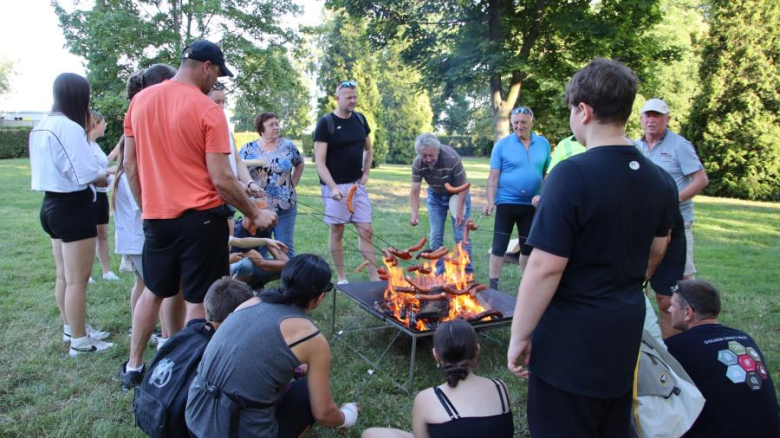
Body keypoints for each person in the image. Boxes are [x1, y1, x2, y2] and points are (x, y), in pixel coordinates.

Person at [506, 58, 678, 437]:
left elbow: (544, 267)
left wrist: (519, 335)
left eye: (571, 110)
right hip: (624, 323)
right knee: (612, 420)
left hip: (571, 338)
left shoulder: (570, 174)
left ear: (583, 111)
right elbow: (657, 248)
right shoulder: (661, 180)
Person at [120, 40, 277, 389]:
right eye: (218, 73)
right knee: (197, 300)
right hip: (201, 220)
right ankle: (189, 377)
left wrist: (148, 206)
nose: (216, 82)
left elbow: (129, 164)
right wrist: (255, 212)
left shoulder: (139, 101)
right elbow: (222, 178)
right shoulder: (209, 112)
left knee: (153, 292)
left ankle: (133, 368)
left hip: (156, 219)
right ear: (206, 66)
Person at [186, 254, 359, 437]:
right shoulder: (312, 339)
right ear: (320, 297)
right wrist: (348, 415)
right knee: (306, 391)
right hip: (233, 431)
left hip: (194, 419)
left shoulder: (250, 302)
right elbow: (324, 414)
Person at [29, 72, 114, 356]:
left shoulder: (41, 125)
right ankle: (80, 341)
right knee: (78, 279)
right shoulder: (69, 127)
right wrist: (105, 176)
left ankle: (71, 328)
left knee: (63, 275)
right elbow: (86, 173)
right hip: (72, 207)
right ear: (80, 97)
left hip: (50, 205)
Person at [134, 276, 253, 438]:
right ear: (234, 317)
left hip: (147, 408)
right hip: (177, 426)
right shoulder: (220, 350)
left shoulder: (191, 329)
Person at [665, 280, 780, 437]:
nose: (669, 309)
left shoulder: (674, 348)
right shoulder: (744, 338)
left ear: (687, 312)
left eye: (673, 305)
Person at [362, 319, 513, 438]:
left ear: (436, 355)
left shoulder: (428, 399)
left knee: (369, 434)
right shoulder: (501, 387)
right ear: (477, 350)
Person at [636, 98, 709, 338]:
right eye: (647, 115)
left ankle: (690, 336)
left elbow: (700, 180)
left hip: (678, 225)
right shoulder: (635, 147)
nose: (651, 120)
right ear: (641, 119)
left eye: (657, 116)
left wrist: (671, 200)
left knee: (682, 284)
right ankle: (643, 337)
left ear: (667, 119)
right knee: (639, 282)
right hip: (645, 225)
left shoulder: (680, 145)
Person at [313, 80, 379, 284]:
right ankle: (342, 278)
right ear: (337, 98)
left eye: (355, 96)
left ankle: (375, 278)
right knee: (337, 229)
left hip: (356, 186)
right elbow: (319, 162)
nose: (353, 100)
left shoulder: (360, 119)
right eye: (349, 97)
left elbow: (369, 149)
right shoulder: (326, 123)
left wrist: (366, 172)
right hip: (335, 187)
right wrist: (332, 187)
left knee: (366, 230)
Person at [483, 106, 550, 291]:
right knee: (499, 245)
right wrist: (490, 202)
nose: (519, 126)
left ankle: (526, 284)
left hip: (531, 204)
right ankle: (493, 286)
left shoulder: (543, 144)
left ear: (532, 122)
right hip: (506, 202)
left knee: (527, 246)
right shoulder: (502, 145)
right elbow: (493, 176)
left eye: (523, 122)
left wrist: (542, 195)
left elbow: (545, 174)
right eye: (516, 123)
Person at [239, 112, 305, 257]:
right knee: (260, 248)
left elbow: (299, 164)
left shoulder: (288, 146)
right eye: (271, 125)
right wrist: (248, 186)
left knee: (285, 247)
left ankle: (289, 278)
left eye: (277, 124)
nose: (276, 127)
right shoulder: (247, 149)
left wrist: (293, 183)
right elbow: (237, 171)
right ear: (261, 129)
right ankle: (261, 278)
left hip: (285, 206)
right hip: (259, 209)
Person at [409, 133, 473, 273]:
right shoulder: (418, 163)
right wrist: (414, 213)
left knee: (461, 236)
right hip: (435, 195)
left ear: (438, 150)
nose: (428, 159)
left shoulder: (452, 158)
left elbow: (463, 186)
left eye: (431, 155)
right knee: (436, 236)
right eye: (424, 155)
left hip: (457, 194)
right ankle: (438, 273)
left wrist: (460, 210)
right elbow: (414, 191)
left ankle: (467, 273)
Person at [87, 110, 119, 282]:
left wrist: (119, 147)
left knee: (103, 233)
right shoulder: (84, 145)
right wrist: (109, 171)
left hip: (101, 195)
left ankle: (106, 271)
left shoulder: (95, 145)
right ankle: (87, 272)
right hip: (90, 195)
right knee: (89, 235)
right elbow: (92, 170)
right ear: (95, 124)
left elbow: (104, 161)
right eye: (103, 123)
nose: (105, 126)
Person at [228, 221, 290, 289]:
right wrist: (290, 264)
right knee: (246, 265)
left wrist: (266, 241)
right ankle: (234, 291)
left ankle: (256, 286)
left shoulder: (263, 228)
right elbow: (263, 264)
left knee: (284, 268)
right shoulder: (238, 231)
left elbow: (240, 241)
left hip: (252, 268)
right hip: (231, 268)